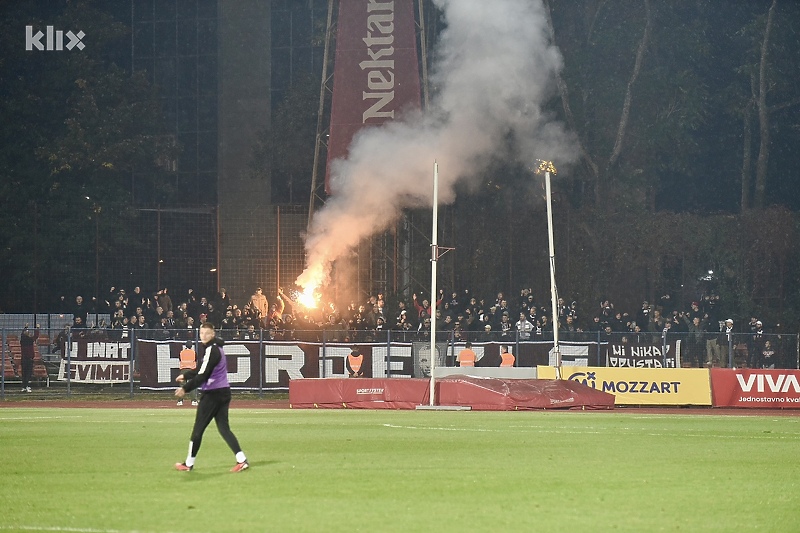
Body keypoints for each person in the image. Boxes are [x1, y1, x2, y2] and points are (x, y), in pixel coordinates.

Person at [174, 323, 249, 473]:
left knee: (198, 429)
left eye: (207, 333)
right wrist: (186, 375)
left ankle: (188, 464)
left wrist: (185, 388)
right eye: (201, 333)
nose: (203, 336)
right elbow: (202, 368)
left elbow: (203, 375)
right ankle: (242, 460)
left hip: (213, 394)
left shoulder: (211, 350)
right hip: (223, 392)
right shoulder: (216, 348)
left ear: (213, 334)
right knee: (224, 429)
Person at [177, 340, 198, 406]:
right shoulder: (194, 352)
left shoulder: (181, 352)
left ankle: (180, 401)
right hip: (191, 370)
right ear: (191, 346)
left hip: (183, 370)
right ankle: (193, 401)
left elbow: (180, 359)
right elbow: (195, 360)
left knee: (182, 385)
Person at [20, 324, 39, 392]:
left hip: (26, 359)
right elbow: (36, 336)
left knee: (25, 373)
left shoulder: (23, 340)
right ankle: (25, 386)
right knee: (27, 373)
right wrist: (37, 328)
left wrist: (25, 327)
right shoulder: (29, 340)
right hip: (27, 359)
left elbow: (22, 334)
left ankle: (25, 386)